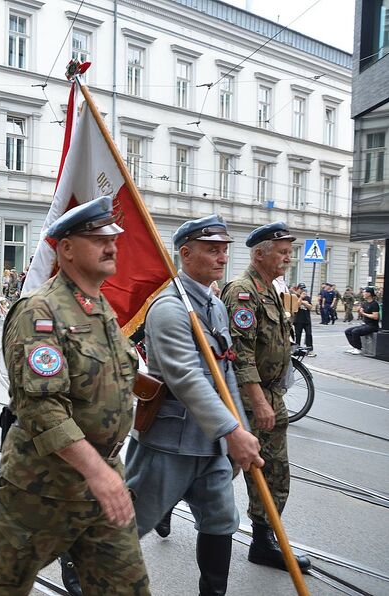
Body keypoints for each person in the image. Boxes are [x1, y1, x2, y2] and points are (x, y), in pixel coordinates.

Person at [0, 197, 149, 595]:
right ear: (67, 249)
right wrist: (98, 473)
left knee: (127, 588)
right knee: (1, 586)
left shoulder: (100, 307)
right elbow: (42, 408)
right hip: (43, 488)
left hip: (102, 484)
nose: (112, 246)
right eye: (98, 239)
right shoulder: (40, 311)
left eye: (112, 238)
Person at [124, 215, 263, 596]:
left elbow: (226, 374)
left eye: (224, 250)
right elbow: (185, 377)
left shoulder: (214, 305)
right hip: (170, 442)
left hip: (211, 443)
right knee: (130, 522)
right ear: (185, 254)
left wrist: (239, 430)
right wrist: (232, 431)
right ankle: (78, 562)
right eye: (212, 250)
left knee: (221, 520)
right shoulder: (169, 308)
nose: (222, 258)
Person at [221, 222, 311, 572]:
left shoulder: (270, 288)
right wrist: (258, 402)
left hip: (271, 393)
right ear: (259, 254)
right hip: (250, 397)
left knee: (273, 471)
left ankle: (263, 541)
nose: (289, 257)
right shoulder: (243, 292)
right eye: (282, 252)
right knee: (222, 468)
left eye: (289, 252)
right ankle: (169, 500)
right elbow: (240, 355)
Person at [344, 287, 381, 355]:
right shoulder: (365, 303)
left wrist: (363, 313)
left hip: (372, 326)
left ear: (369, 294)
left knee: (355, 331)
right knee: (347, 331)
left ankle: (359, 348)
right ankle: (355, 347)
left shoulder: (374, 304)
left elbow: (375, 317)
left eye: (364, 292)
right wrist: (359, 310)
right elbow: (362, 313)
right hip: (365, 324)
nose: (363, 294)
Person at [293, 283, 315, 355]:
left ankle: (310, 349)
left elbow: (310, 307)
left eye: (303, 288)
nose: (302, 290)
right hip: (298, 319)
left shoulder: (307, 298)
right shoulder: (295, 297)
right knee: (298, 335)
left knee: (309, 334)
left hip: (307, 319)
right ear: (298, 289)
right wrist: (301, 299)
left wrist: (305, 303)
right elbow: (296, 306)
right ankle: (297, 349)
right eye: (301, 289)